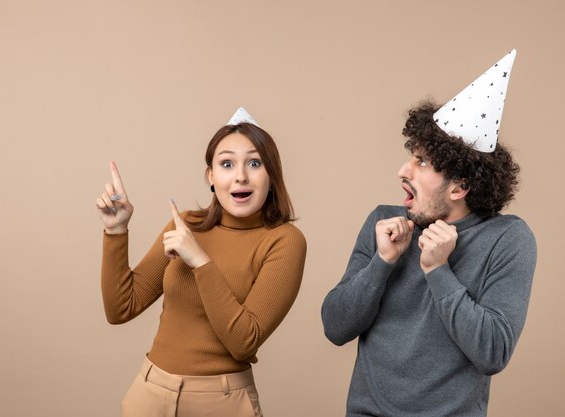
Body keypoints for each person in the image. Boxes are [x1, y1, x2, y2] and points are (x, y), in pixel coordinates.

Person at [321, 50, 537, 417]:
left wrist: (439, 271)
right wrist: (383, 262)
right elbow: (335, 327)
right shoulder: (384, 224)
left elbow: (493, 353)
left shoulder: (507, 239)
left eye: (421, 162)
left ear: (459, 187)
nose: (403, 171)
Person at [95, 108, 306, 417]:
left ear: (271, 176)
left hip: (222, 402)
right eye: (227, 163)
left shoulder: (284, 241)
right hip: (149, 395)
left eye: (255, 163)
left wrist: (201, 262)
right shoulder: (185, 225)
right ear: (211, 175)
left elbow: (244, 343)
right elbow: (121, 308)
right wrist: (116, 231)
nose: (240, 176)